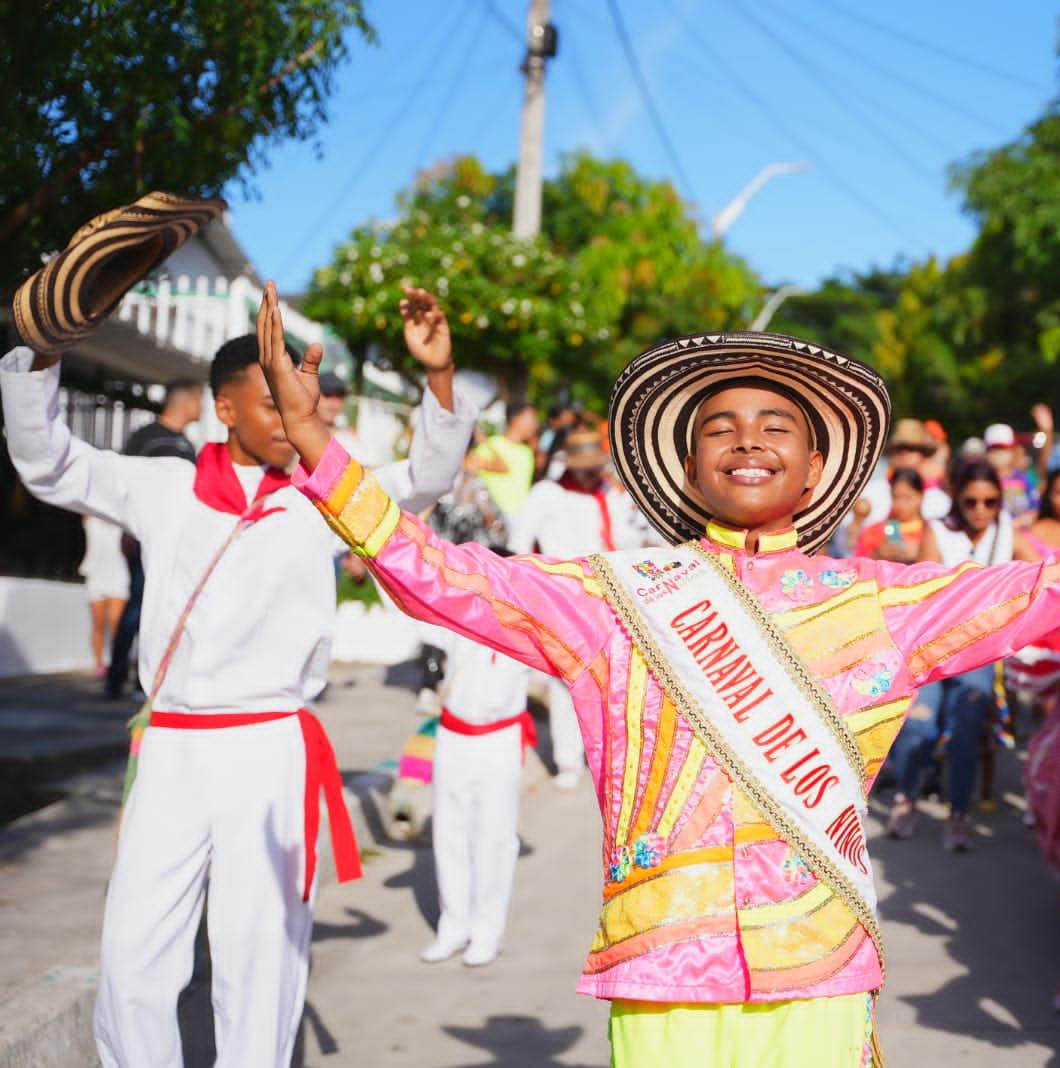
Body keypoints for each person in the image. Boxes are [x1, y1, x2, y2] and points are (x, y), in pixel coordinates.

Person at [260, 284, 1060, 1066]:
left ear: (813, 468)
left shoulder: (880, 603)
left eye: (775, 430)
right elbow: (443, 577)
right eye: (720, 427)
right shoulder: (616, 598)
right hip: (662, 963)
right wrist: (317, 448)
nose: (747, 441)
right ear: (685, 465)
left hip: (817, 964)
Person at [3, 234, 473, 1064]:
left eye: (303, 397)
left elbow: (427, 478)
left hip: (271, 744)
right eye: (272, 399)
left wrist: (438, 377)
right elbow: (49, 463)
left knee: (261, 952)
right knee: (135, 956)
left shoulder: (329, 495)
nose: (295, 417)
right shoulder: (164, 485)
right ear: (224, 408)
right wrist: (41, 354)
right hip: (176, 746)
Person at [888, 461, 1016, 853]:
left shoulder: (1006, 529)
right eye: (972, 500)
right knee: (917, 727)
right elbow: (928, 594)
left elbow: (1049, 562)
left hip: (978, 654)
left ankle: (957, 814)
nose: (981, 509)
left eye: (990, 501)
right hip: (933, 650)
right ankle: (906, 798)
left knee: (965, 733)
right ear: (957, 498)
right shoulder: (938, 531)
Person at [508, 427, 646, 789]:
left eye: (595, 466)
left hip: (607, 596)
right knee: (564, 680)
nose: (592, 472)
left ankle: (606, 754)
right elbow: (518, 545)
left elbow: (624, 537)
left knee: (613, 679)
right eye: (585, 466)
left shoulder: (606, 493)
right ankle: (567, 760)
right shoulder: (546, 494)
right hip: (562, 597)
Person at [421, 612, 537, 968]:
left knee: (494, 837)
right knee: (448, 833)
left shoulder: (525, 625)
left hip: (499, 737)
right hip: (452, 734)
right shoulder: (456, 612)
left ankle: (487, 931)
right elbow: (412, 605)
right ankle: (453, 924)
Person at [103, 377, 204, 699]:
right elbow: (125, 487)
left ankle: (146, 682)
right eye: (200, 400)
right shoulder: (145, 439)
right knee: (137, 608)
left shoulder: (187, 445)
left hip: (178, 545)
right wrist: (128, 531)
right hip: (143, 539)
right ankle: (116, 679)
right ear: (186, 400)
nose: (202, 408)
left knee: (164, 610)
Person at [858, 417, 951, 527]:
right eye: (899, 449)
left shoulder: (939, 501)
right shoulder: (869, 493)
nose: (904, 454)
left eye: (911, 449)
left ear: (923, 455)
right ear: (891, 454)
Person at [469, 398, 540, 517]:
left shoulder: (527, 452)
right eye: (532, 419)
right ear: (516, 419)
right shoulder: (491, 445)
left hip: (521, 517)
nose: (536, 424)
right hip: (494, 519)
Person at [80, 514, 130, 677]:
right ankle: (100, 664)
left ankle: (119, 665)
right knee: (98, 623)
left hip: (119, 575)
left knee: (117, 622)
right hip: (95, 574)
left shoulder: (124, 519)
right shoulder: (90, 517)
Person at [854, 468, 930, 562]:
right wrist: (877, 555)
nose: (901, 505)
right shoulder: (874, 532)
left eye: (908, 498)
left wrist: (923, 552)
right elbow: (857, 565)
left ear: (921, 496)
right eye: (896, 497)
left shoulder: (931, 532)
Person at [983, 423, 1039, 517]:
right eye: (993, 449)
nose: (998, 454)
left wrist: (1018, 525)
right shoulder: (981, 479)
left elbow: (1034, 509)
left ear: (1012, 450)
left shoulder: (1024, 477)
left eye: (1003, 449)